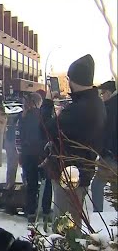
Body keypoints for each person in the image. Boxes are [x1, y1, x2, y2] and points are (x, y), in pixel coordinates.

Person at [44, 55, 106, 232]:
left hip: (70, 175)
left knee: (65, 228)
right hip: (78, 172)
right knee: (70, 223)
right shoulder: (94, 103)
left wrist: (48, 102)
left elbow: (46, 129)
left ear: (73, 79)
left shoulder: (81, 108)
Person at [17, 93, 50, 222]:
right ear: (38, 102)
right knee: (46, 183)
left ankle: (31, 210)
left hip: (27, 154)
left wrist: (20, 152)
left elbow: (18, 136)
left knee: (31, 184)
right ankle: (46, 210)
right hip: (42, 154)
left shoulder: (22, 116)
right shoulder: (43, 116)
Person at [89, 80, 117, 212]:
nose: (101, 96)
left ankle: (98, 216)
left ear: (109, 93)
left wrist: (104, 150)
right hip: (112, 154)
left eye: (103, 93)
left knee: (97, 186)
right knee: (114, 188)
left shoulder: (110, 107)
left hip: (110, 155)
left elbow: (107, 132)